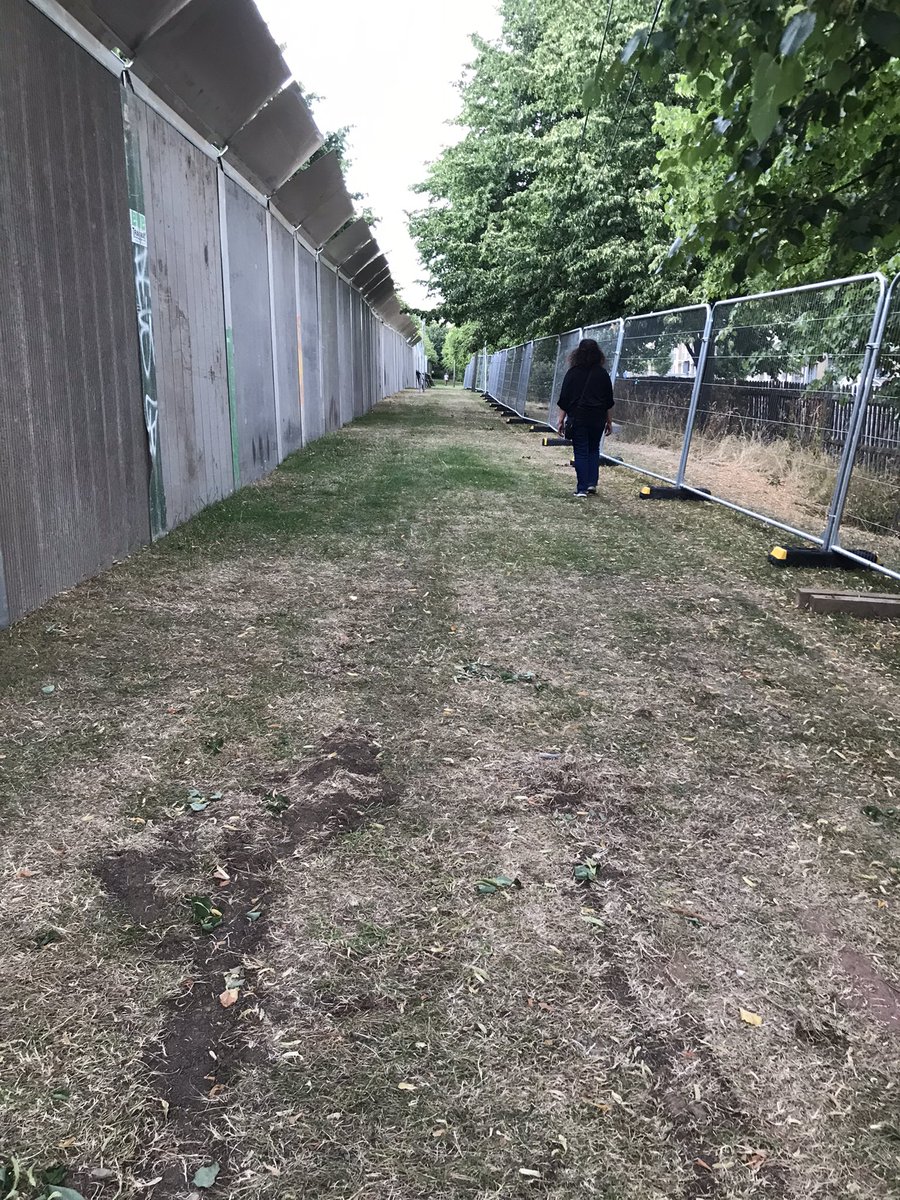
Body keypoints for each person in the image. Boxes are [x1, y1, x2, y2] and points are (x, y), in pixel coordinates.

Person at [556, 338, 614, 498]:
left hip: (578, 417)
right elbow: (608, 401)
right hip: (597, 418)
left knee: (581, 451)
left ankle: (581, 488)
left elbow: (564, 400)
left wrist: (560, 420)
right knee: (593, 449)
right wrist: (609, 421)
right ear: (598, 354)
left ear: (577, 353)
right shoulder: (602, 374)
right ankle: (591, 484)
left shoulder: (573, 373)